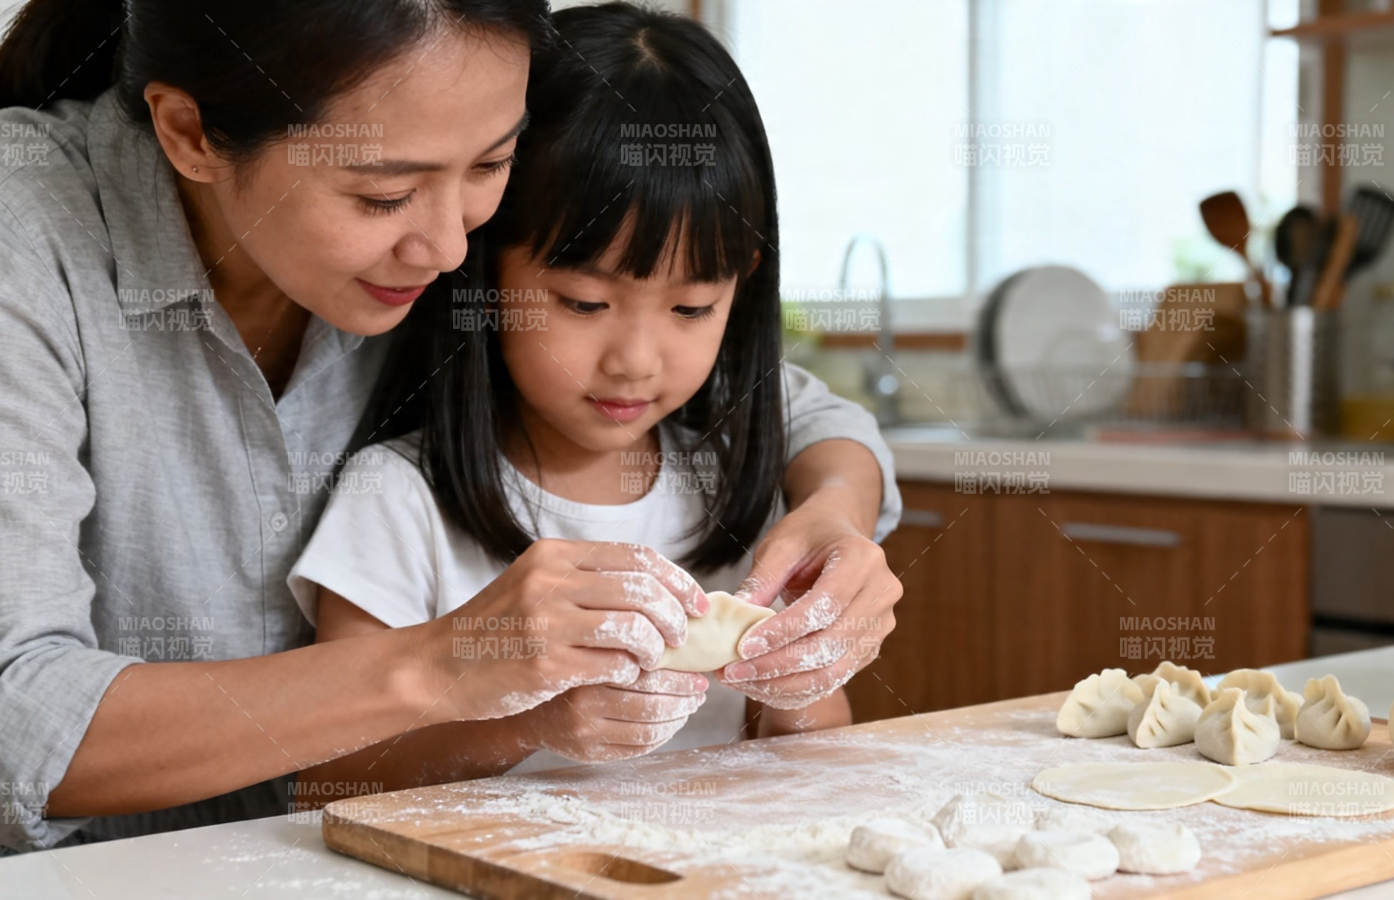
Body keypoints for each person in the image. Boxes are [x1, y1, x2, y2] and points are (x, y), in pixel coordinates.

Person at [0, 0, 901, 852]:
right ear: (191, 134)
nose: (449, 250)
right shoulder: (27, 230)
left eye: (492, 165)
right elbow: (19, 718)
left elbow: (776, 400)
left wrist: (837, 509)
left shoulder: (434, 242)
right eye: (383, 195)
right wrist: (444, 667)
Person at [292, 3, 894, 793]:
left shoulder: (739, 480)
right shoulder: (398, 501)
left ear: (742, 287)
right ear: (485, 272)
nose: (635, 362)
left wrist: (799, 682)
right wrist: (528, 726)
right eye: (582, 304)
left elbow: (812, 761)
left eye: (691, 308)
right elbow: (331, 776)